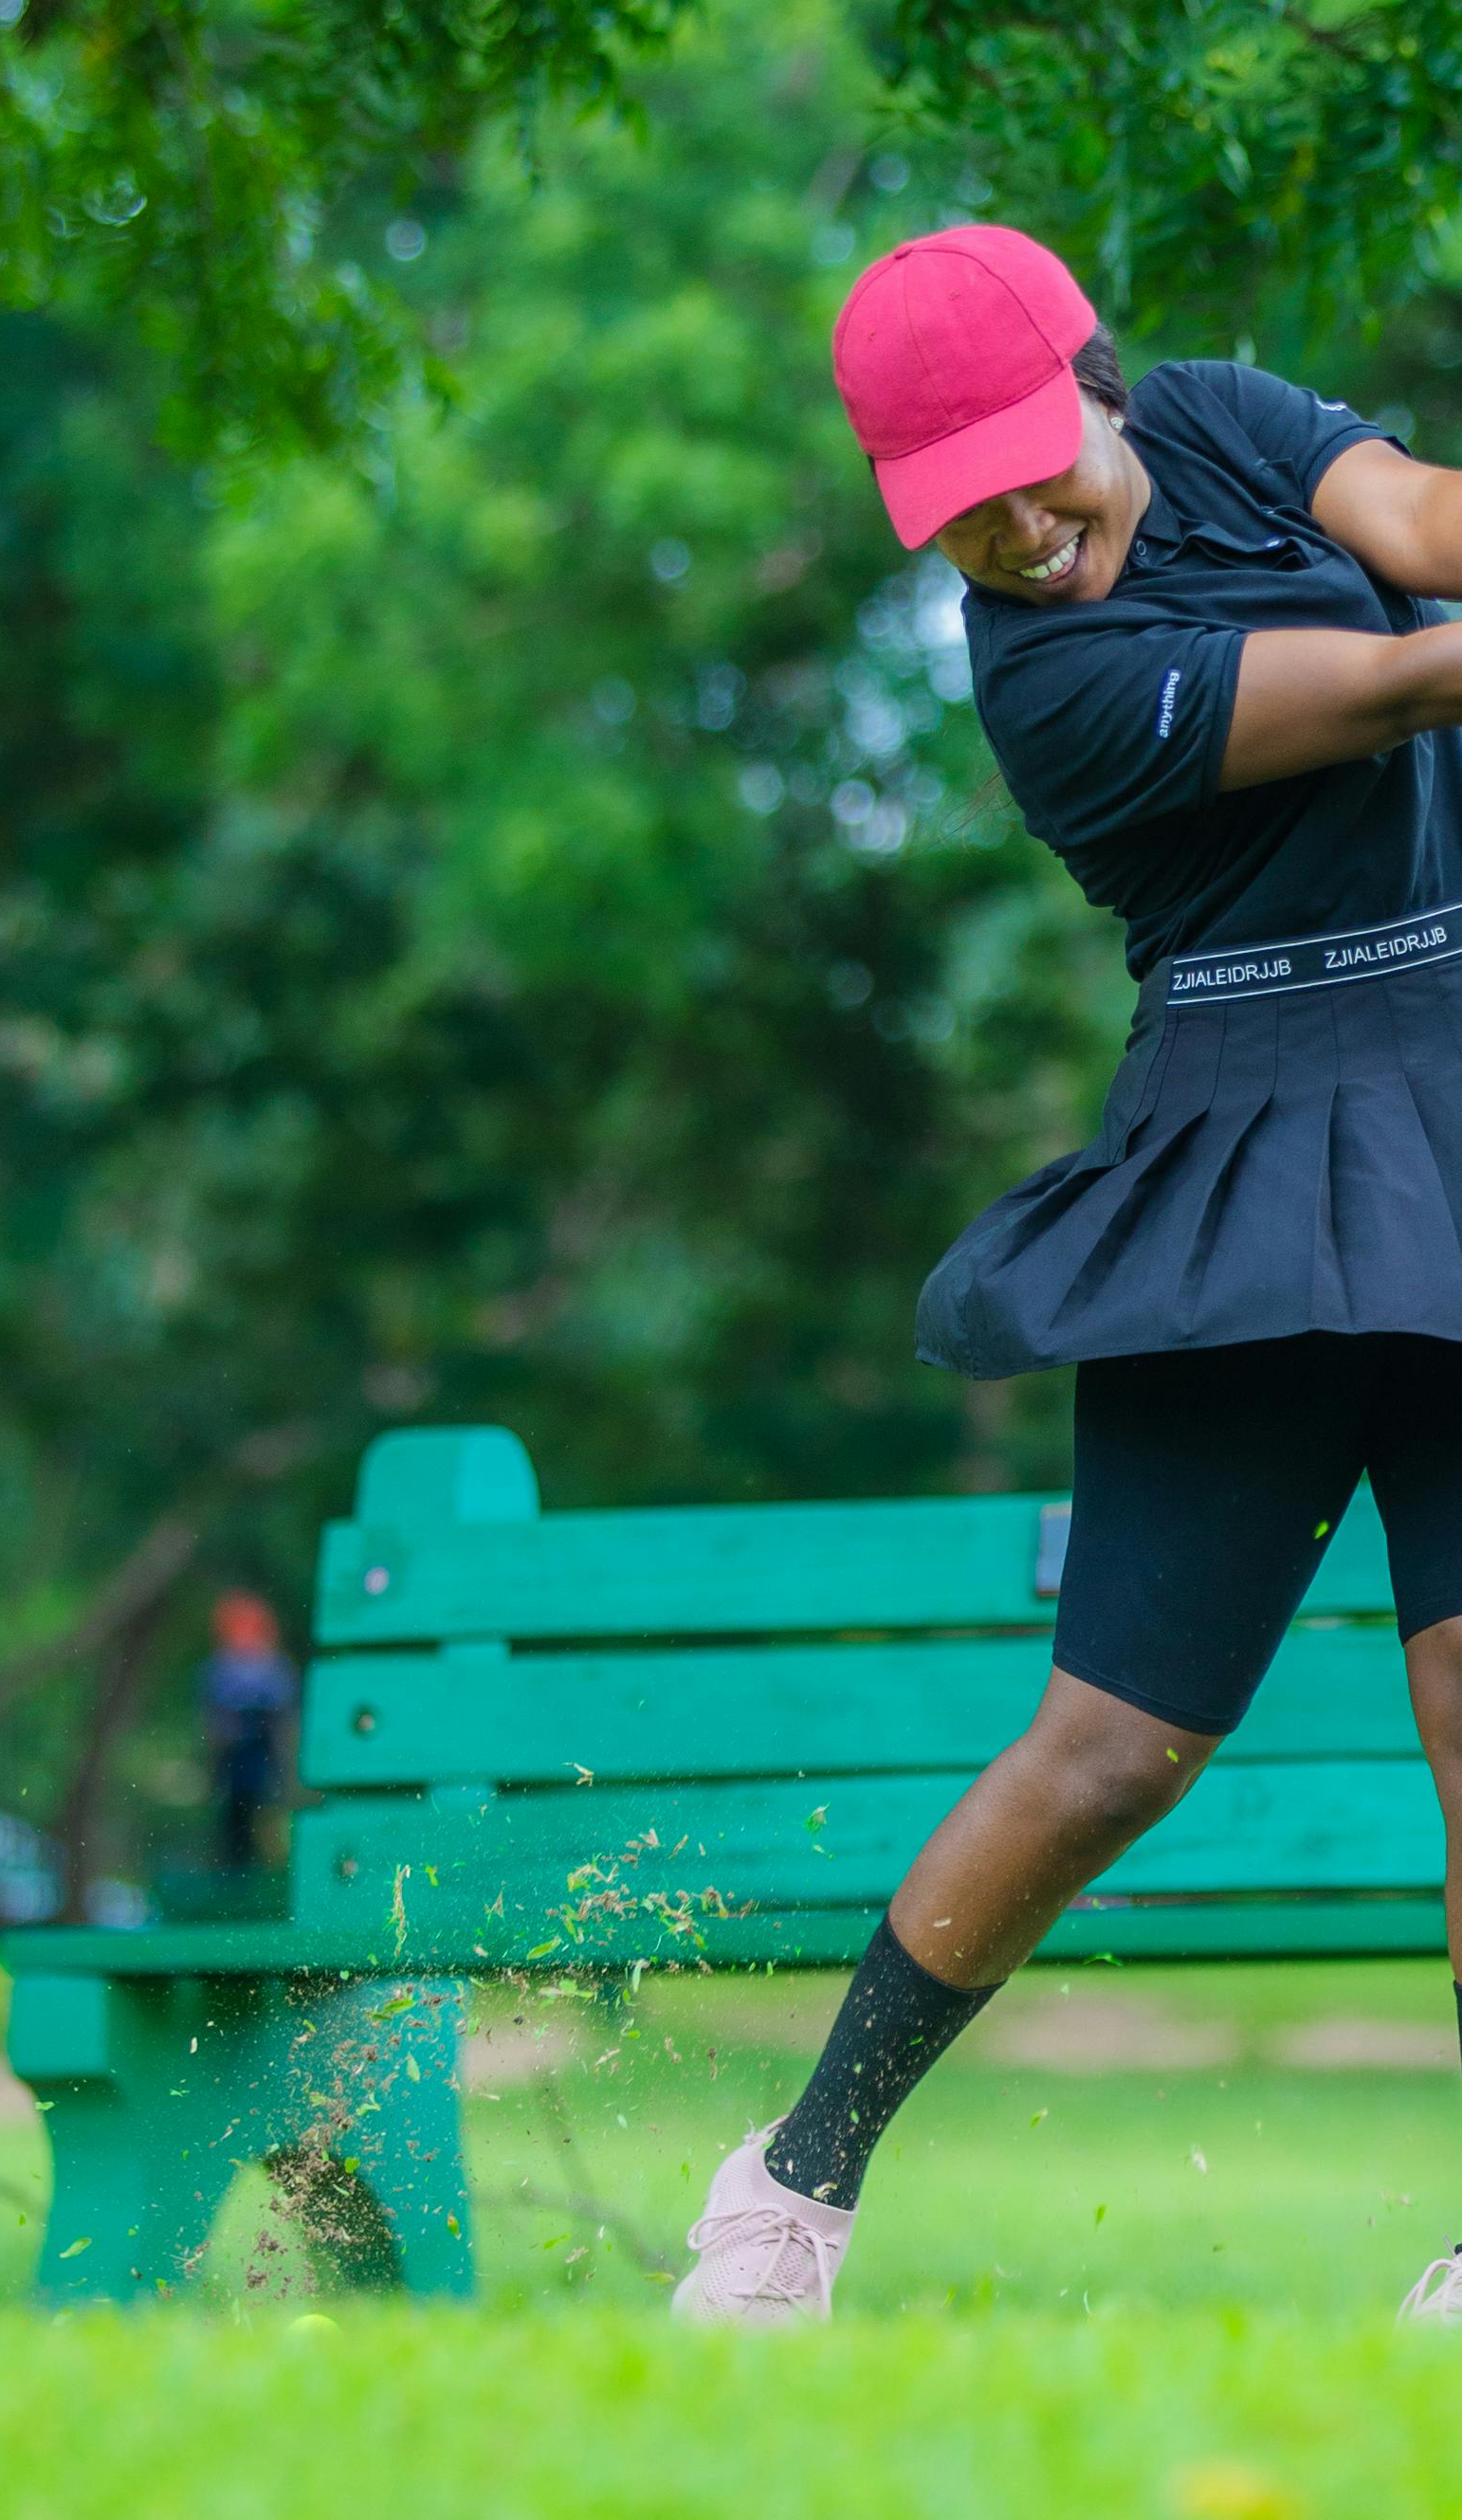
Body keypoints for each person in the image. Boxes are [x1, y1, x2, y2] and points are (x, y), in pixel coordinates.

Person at [673, 223, 1462, 2328]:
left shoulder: (1212, 419)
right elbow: (1404, 665)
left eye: (1037, 467)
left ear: (1100, 385)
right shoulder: (1047, 682)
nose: (1020, 530)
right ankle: (788, 2186)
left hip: (1457, 1117)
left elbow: (1419, 526)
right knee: (1113, 1748)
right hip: (1247, 1174)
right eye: (960, 513)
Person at [197, 1592, 298, 1872]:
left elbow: (283, 1718)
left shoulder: (275, 1668)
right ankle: (236, 1871)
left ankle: (268, 1866)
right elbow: (214, 1720)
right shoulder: (219, 1668)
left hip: (264, 1752)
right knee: (234, 1819)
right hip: (233, 1756)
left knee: (268, 1813)